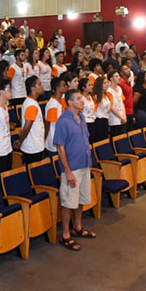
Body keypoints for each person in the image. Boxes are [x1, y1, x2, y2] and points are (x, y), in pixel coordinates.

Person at [53, 89, 97, 251]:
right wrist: (68, 171)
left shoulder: (82, 117)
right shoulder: (63, 121)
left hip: (84, 164)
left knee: (80, 199)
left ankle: (77, 227)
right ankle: (65, 234)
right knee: (68, 202)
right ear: (69, 102)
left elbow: (85, 140)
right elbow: (60, 148)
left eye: (82, 98)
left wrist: (89, 161)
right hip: (72, 168)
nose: (82, 101)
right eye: (78, 99)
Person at [18, 76, 47, 165]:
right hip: (33, 147)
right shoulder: (31, 105)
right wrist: (20, 141)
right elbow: (27, 127)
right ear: (33, 88)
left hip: (35, 144)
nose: (42, 86)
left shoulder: (32, 102)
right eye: (39, 84)